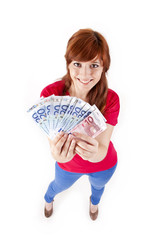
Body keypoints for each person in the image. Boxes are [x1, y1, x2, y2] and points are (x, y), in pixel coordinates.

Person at [40, 28, 120, 220]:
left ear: (104, 68)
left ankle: (94, 203)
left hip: (104, 165)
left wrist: (96, 154)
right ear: (68, 64)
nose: (85, 75)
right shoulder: (51, 95)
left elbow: (102, 147)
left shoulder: (111, 99)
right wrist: (56, 154)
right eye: (77, 64)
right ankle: (48, 199)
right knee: (57, 186)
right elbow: (52, 142)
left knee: (99, 187)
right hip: (67, 166)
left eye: (94, 65)